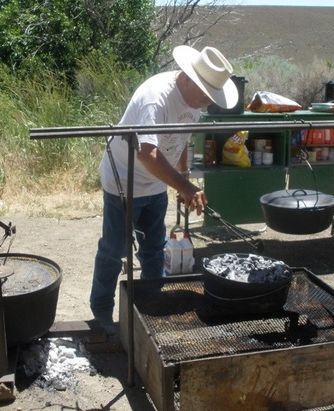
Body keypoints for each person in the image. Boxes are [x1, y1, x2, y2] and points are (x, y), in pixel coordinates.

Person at [90, 45, 238, 329]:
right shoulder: (155, 97)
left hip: (156, 182)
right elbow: (147, 153)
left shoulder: (194, 104)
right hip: (124, 179)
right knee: (114, 249)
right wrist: (184, 186)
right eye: (205, 95)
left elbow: (180, 142)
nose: (207, 104)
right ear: (187, 78)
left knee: (154, 249)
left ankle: (149, 305)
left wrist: (182, 179)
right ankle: (101, 311)